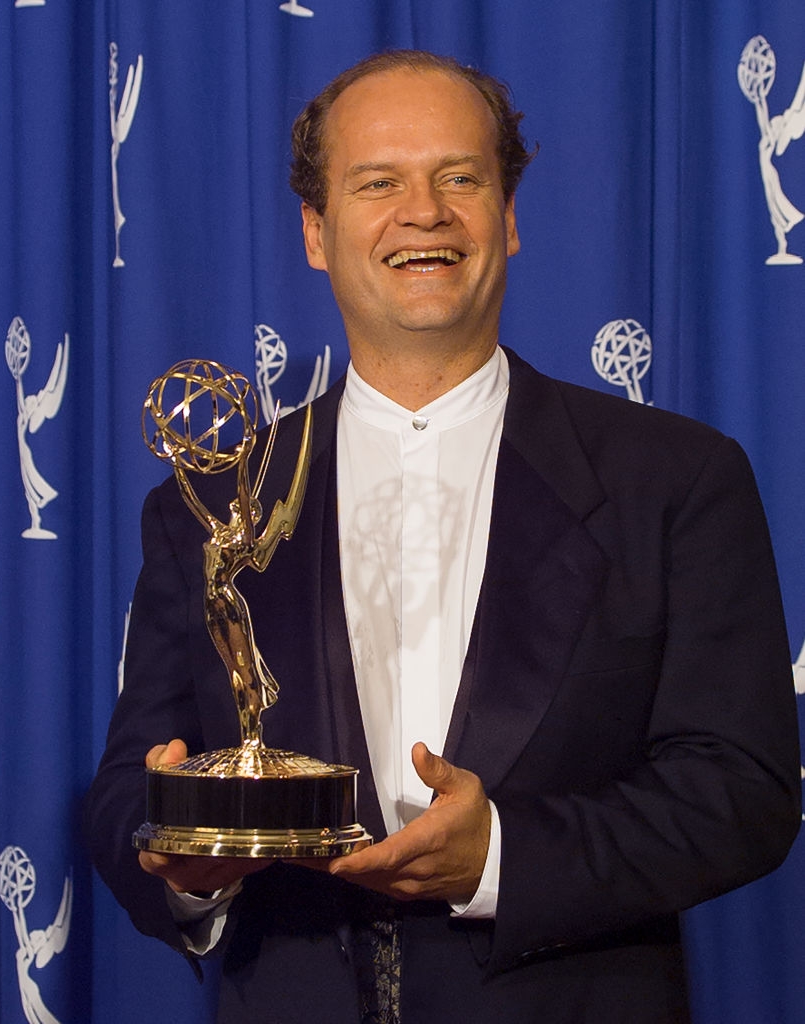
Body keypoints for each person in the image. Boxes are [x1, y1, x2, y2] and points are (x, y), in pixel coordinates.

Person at [85, 50, 801, 1023]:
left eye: (459, 178)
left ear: (508, 217)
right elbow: (126, 792)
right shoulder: (205, 505)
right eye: (377, 183)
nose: (422, 212)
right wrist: (182, 860)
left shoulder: (675, 479)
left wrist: (501, 857)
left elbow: (743, 791)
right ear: (315, 230)